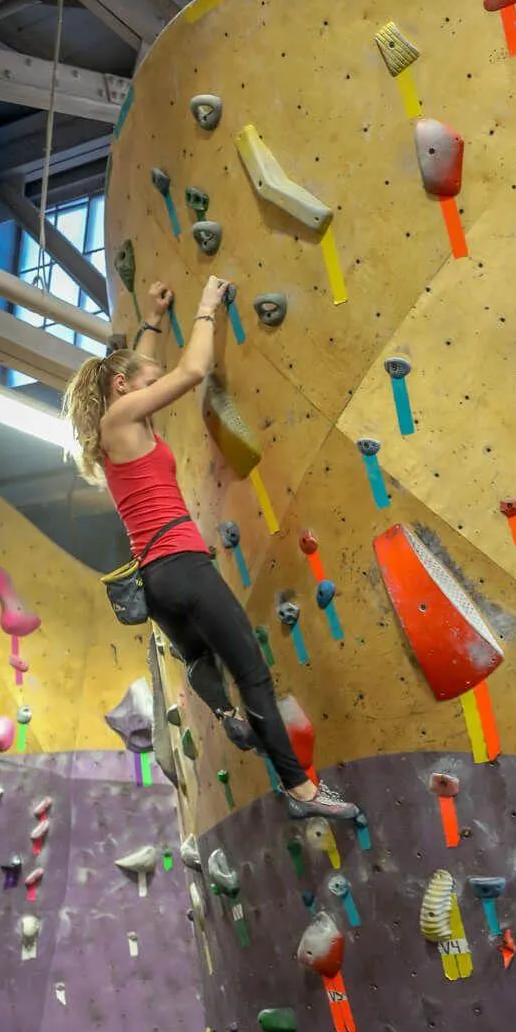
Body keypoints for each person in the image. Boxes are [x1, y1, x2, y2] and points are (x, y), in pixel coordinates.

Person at [63, 277, 357, 821]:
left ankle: (225, 714)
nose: (155, 384)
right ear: (125, 387)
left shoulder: (118, 428)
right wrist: (204, 308)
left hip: (155, 584)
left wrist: (152, 319)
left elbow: (140, 367)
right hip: (183, 566)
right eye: (145, 381)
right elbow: (190, 372)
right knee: (254, 675)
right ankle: (301, 792)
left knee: (201, 655)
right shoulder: (121, 417)